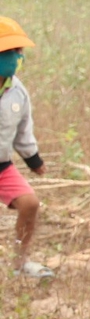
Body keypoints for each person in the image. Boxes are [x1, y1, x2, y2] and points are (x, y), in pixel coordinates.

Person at [0, 17, 52, 279]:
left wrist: (34, 160)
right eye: (7, 53)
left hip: (2, 167)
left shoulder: (17, 92)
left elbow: (22, 133)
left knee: (30, 203)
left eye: (17, 53)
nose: (14, 58)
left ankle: (18, 264)